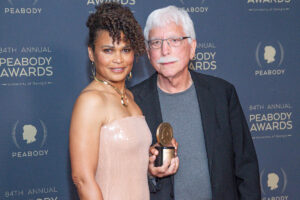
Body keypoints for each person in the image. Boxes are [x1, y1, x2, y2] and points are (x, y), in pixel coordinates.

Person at [131, 5, 261, 200]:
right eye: (156, 42)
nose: (165, 50)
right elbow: (121, 175)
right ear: (149, 54)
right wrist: (151, 174)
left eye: (174, 40)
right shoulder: (132, 102)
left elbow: (246, 168)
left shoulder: (222, 94)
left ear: (192, 48)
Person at [69, 3, 152, 200]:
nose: (118, 59)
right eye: (108, 50)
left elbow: (127, 167)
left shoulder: (131, 99)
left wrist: (153, 165)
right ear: (91, 53)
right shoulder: (91, 101)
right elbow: (82, 178)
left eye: (125, 50)